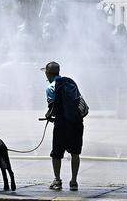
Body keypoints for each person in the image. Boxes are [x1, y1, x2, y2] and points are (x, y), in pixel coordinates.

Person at [42, 61, 83, 191]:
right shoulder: (70, 83)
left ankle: (57, 180)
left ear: (48, 74)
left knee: (56, 154)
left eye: (46, 73)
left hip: (61, 125)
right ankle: (74, 181)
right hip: (76, 123)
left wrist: (48, 115)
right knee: (75, 153)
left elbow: (52, 108)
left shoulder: (51, 88)